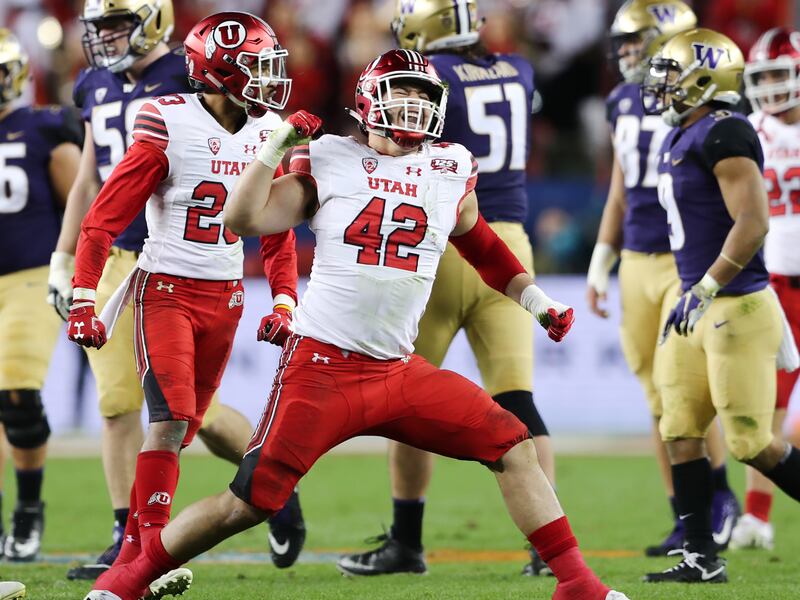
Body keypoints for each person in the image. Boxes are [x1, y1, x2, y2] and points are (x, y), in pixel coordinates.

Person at [84, 47, 630, 600]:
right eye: (402, 91)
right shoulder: (328, 158)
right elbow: (242, 218)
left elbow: (484, 248)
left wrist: (537, 303)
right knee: (247, 503)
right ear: (370, 99)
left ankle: (577, 583)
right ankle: (126, 581)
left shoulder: (449, 167)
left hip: (397, 370)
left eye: (423, 95)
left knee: (513, 445)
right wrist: (275, 147)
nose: (414, 105)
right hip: (320, 368)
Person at [48, 0, 305, 579]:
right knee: (150, 415)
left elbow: (277, 228)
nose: (272, 80)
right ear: (222, 73)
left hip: (227, 293)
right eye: (257, 67)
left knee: (189, 421)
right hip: (158, 279)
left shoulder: (267, 128)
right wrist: (80, 285)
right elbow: (101, 202)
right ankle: (139, 554)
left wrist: (285, 299)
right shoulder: (167, 114)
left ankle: (265, 501)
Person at [337, 0, 554, 577]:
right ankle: (548, 546)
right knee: (518, 398)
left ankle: (406, 541)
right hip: (512, 245)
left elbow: (396, 142)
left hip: (443, 236)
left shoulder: (435, 80)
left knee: (401, 394)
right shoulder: (519, 70)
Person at [641, 27, 800, 584]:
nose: (659, 85)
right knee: (679, 428)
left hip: (735, 304)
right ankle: (701, 556)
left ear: (704, 78)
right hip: (696, 302)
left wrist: (708, 284)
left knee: (751, 441)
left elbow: (753, 222)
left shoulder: (724, 132)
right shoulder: (680, 134)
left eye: (670, 74)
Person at [588, 0, 740, 557]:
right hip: (636, 257)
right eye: (623, 43)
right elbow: (622, 187)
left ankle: (720, 497)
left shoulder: (703, 104)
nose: (625, 53)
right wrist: (602, 255)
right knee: (657, 398)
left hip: (685, 259)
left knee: (685, 391)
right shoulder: (619, 100)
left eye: (636, 41)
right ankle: (686, 513)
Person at [0, 29, 83, 561]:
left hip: (31, 273)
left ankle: (28, 512)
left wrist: (74, 267)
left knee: (17, 394)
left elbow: (84, 201)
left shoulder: (42, 127)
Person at [730, 26, 800, 551]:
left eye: (780, 73)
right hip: (776, 282)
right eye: (765, 76)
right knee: (768, 406)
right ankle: (757, 515)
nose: (772, 85)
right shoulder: (748, 129)